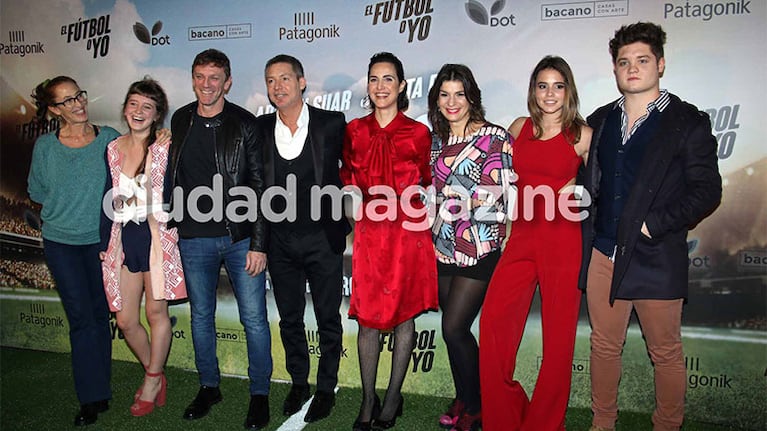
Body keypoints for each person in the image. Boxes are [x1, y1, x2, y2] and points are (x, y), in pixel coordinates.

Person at [579, 22, 721, 431]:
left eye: (642, 60)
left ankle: (667, 426)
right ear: (615, 70)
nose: (633, 68)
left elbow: (707, 190)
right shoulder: (601, 120)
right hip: (604, 253)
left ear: (660, 64)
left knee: (665, 352)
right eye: (624, 62)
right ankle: (602, 423)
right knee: (605, 347)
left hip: (656, 255)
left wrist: (651, 225)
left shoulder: (687, 121)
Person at [478, 56, 591, 431]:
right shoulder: (519, 128)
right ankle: (504, 417)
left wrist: (581, 189)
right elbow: (501, 182)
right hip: (521, 237)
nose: (550, 94)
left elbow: (606, 188)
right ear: (533, 90)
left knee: (558, 342)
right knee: (494, 327)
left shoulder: (583, 135)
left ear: (569, 90)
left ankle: (543, 425)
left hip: (563, 241)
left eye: (558, 86)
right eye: (543, 85)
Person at [165, 48, 271, 429]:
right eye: (199, 77)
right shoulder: (180, 119)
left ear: (227, 82)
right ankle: (209, 386)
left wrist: (259, 243)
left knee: (254, 320)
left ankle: (259, 394)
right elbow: (171, 172)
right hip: (193, 239)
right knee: (201, 318)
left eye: (214, 78)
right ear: (192, 79)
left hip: (240, 238)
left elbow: (260, 184)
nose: (206, 85)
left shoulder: (245, 123)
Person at [341, 51, 438, 431]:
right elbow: (347, 179)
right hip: (370, 235)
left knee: (404, 317)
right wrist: (356, 216)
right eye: (374, 79)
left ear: (401, 86)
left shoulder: (418, 133)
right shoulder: (354, 131)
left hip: (408, 236)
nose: (380, 86)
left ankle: (393, 396)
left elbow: (429, 183)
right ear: (368, 86)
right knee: (367, 320)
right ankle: (368, 398)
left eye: (388, 79)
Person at [254, 54, 348, 423]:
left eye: (285, 79)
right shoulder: (259, 128)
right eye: (271, 81)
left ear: (302, 82)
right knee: (289, 318)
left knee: (328, 317)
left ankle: (326, 388)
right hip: (280, 242)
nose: (278, 87)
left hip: (323, 239)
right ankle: (299, 382)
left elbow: (359, 165)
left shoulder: (332, 123)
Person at [27, 76, 120, 426]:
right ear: (53, 110)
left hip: (100, 242)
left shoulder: (109, 138)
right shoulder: (45, 147)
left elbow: (137, 163)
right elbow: (36, 189)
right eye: (67, 101)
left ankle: (101, 388)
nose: (78, 103)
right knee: (81, 318)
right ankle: (91, 397)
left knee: (99, 315)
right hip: (61, 243)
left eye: (79, 95)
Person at [428, 64, 515, 431]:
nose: (452, 102)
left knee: (453, 328)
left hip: (479, 246)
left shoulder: (495, 137)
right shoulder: (435, 141)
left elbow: (503, 195)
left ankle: (479, 405)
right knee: (455, 331)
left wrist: (456, 200)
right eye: (444, 94)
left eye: (459, 94)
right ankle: (465, 397)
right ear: (437, 100)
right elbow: (430, 194)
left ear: (472, 97)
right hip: (442, 246)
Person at [99, 78, 187, 416]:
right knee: (125, 320)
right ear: (125, 108)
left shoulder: (165, 146)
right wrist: (104, 240)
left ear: (157, 115)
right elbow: (106, 194)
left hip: (157, 239)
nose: (138, 112)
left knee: (155, 313)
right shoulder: (112, 147)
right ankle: (157, 372)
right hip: (124, 239)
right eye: (133, 104)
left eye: (147, 107)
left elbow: (180, 188)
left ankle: (151, 380)